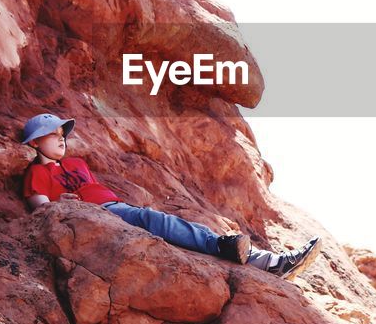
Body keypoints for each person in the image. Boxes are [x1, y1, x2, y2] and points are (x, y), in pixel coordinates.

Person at [20, 112, 322, 280]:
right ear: (34, 143)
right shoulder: (37, 174)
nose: (61, 139)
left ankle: (272, 263)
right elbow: (43, 211)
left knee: (174, 227)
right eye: (52, 135)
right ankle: (233, 249)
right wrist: (66, 206)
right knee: (158, 221)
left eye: (63, 134)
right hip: (97, 217)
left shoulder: (77, 164)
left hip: (114, 209)